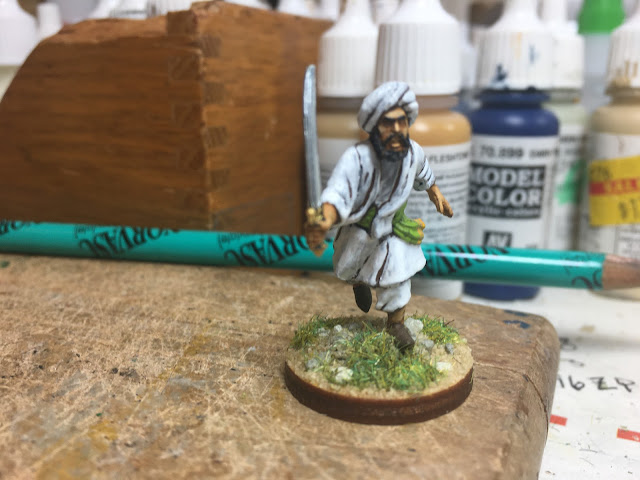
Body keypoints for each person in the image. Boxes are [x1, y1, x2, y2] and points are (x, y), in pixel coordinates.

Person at [305, 82, 453, 351]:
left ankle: (396, 324)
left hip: (393, 230)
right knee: (349, 266)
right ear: (375, 126)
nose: (396, 129)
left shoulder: (413, 153)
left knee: (398, 273)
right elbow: (338, 192)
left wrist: (435, 193)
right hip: (360, 229)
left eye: (401, 122)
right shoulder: (356, 158)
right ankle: (359, 283)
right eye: (388, 123)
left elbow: (423, 172)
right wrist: (324, 218)